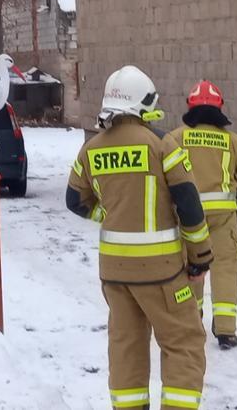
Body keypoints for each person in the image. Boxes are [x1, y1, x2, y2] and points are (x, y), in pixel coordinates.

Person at [67, 66, 214, 410]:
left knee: (126, 346)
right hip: (161, 272)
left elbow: (75, 201)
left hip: (115, 274)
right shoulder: (162, 144)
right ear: (142, 104)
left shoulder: (91, 149)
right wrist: (200, 257)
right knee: (183, 342)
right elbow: (190, 206)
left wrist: (107, 214)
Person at [163, 80, 237, 350]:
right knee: (225, 268)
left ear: (189, 107)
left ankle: (193, 322)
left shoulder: (175, 138)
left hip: (188, 217)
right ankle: (226, 330)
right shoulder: (233, 141)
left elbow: (163, 174)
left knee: (191, 268)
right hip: (223, 218)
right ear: (220, 108)